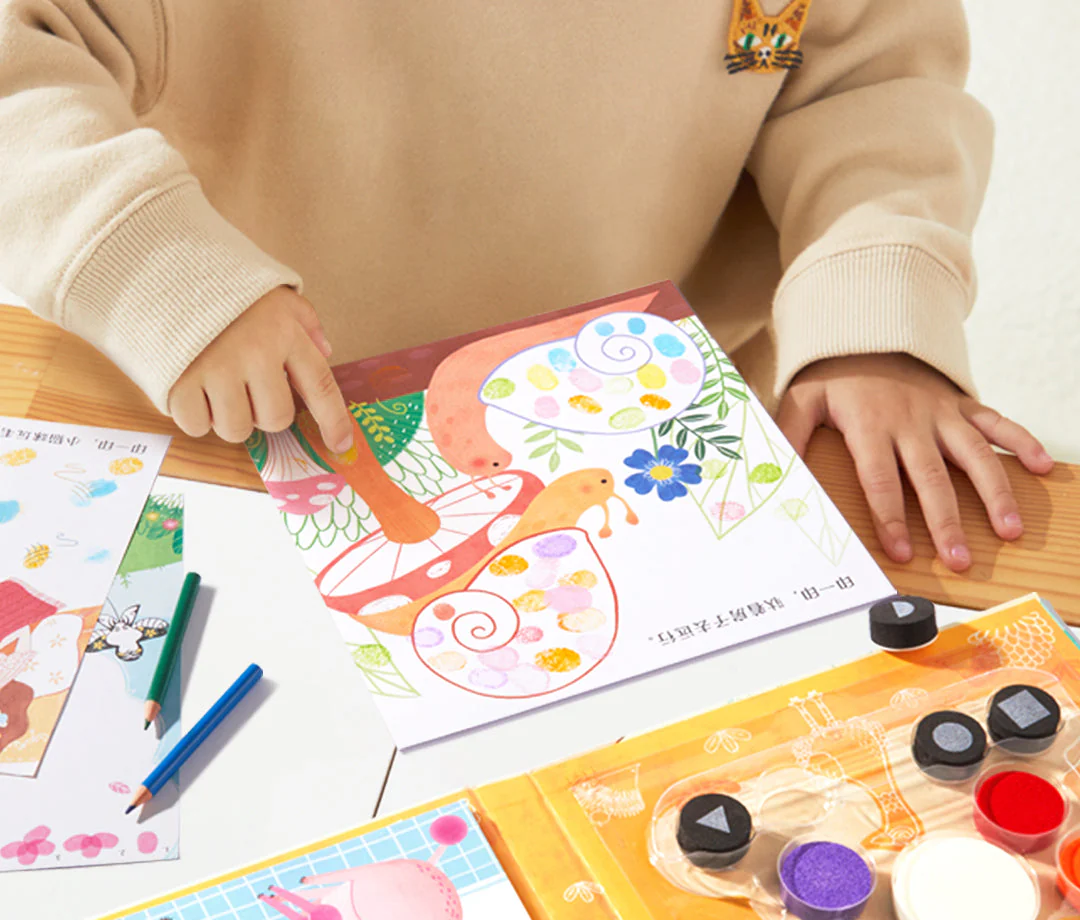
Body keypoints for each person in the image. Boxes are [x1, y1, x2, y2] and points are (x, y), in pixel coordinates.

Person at [0, 0, 1053, 571]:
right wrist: (160, 272)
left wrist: (872, 319)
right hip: (247, 423)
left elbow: (859, 79)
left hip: (664, 436)